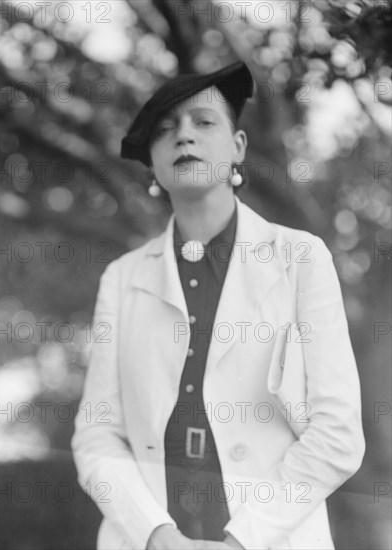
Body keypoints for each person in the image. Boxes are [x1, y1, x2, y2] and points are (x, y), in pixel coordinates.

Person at [71, 61, 365, 550]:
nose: (183, 137)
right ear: (153, 165)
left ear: (238, 148)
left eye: (203, 123)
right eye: (165, 130)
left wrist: (241, 542)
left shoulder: (299, 259)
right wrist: (155, 534)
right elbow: (96, 435)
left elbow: (337, 434)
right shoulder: (121, 279)